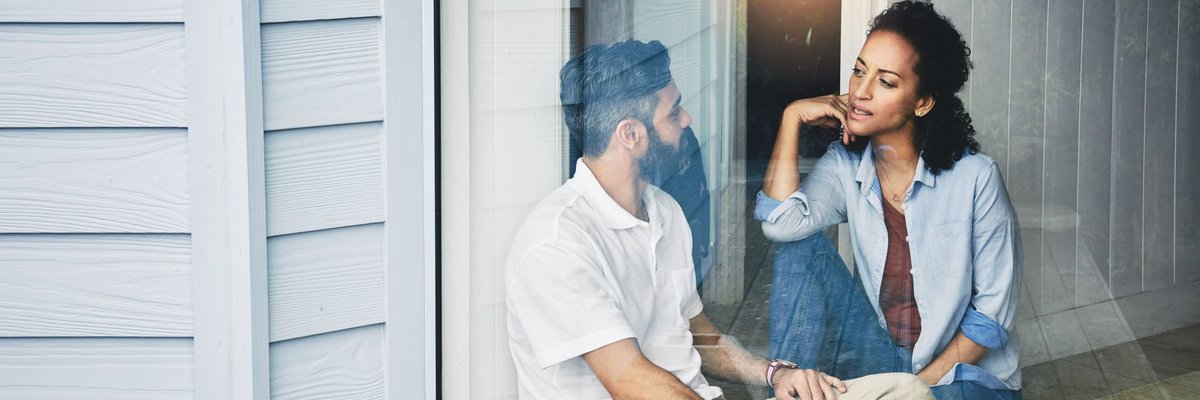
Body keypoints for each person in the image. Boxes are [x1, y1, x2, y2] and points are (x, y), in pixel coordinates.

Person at [506, 39, 933, 400]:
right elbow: (627, 379)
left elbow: (698, 334)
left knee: (907, 391)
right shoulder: (558, 244)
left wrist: (776, 374)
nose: (688, 120)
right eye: (674, 113)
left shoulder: (663, 210)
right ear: (631, 135)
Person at [756, 2, 1022, 399]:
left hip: (959, 375)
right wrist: (792, 116)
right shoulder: (846, 164)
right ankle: (792, 389)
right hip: (882, 357)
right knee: (798, 248)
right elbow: (779, 224)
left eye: (886, 81)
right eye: (860, 70)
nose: (860, 92)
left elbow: (991, 317)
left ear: (923, 101)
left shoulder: (976, 178)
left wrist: (915, 388)